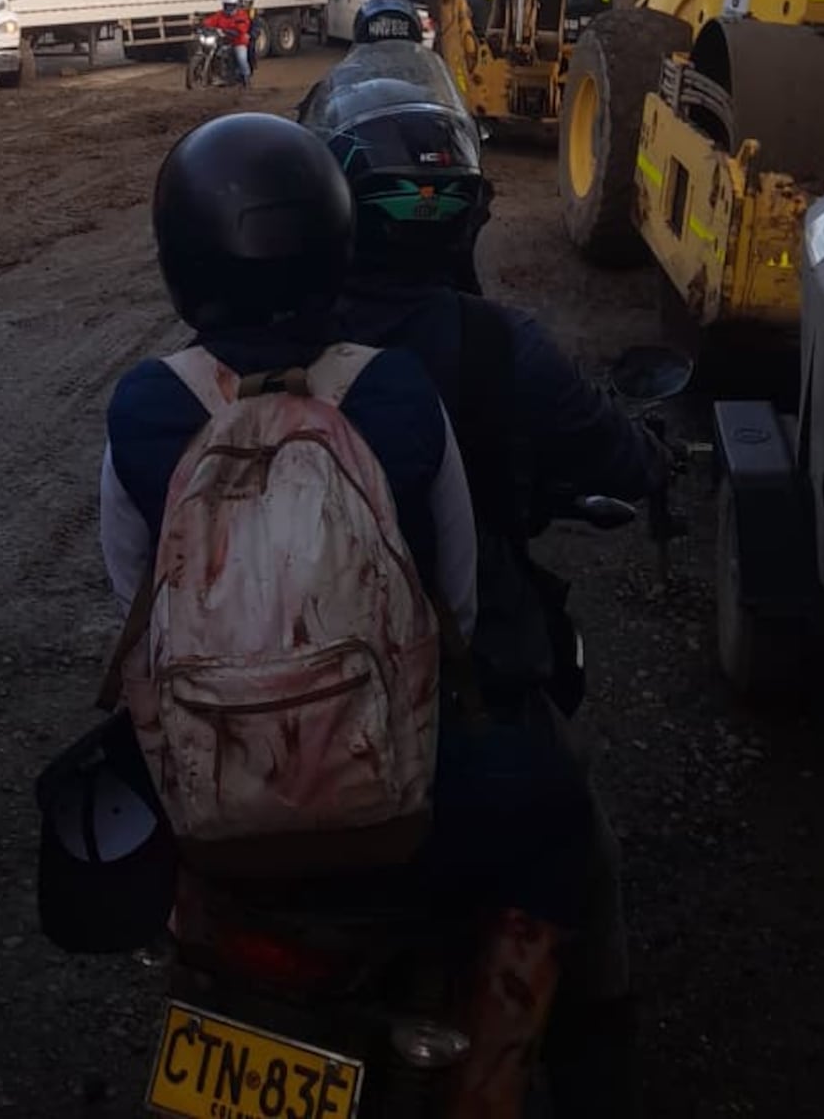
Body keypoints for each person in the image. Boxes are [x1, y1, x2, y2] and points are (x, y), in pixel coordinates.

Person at [100, 114, 595, 1106]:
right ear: (336, 247)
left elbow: (132, 603)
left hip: (209, 808)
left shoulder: (143, 406)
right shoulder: (398, 390)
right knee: (555, 819)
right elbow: (448, 601)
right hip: (397, 804)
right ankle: (489, 1076)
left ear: (177, 262)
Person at [297, 55, 669, 1117]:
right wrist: (652, 466)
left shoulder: (250, 350)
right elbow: (613, 453)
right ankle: (563, 1069)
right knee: (573, 849)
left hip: (267, 716)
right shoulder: (494, 346)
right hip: (451, 721)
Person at [199, 0, 251, 88]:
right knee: (215, 52)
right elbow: (211, 20)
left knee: (241, 58)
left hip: (238, 41)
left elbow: (242, 28)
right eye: (226, 5)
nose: (228, 8)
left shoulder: (241, 15)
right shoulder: (220, 14)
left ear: (235, 6)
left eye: (230, 6)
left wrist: (232, 31)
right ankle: (216, 76)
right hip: (223, 40)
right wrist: (202, 24)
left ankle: (246, 79)